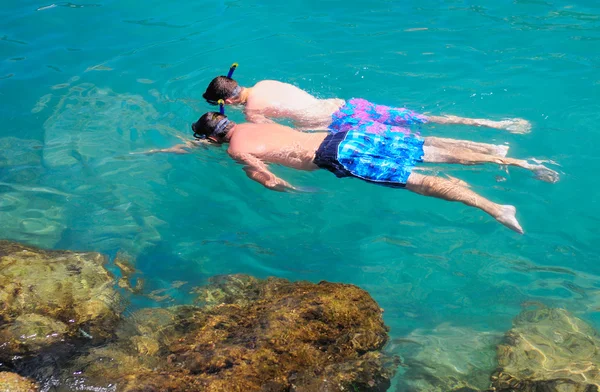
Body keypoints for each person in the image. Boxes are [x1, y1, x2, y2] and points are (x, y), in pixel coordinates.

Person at [174, 110, 559, 234]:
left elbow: (267, 178)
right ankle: (516, 161)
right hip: (344, 134)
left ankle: (495, 208)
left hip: (336, 155)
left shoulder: (238, 148)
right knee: (430, 151)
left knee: (417, 180)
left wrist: (283, 189)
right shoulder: (252, 122)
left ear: (213, 140)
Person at [202, 64, 532, 134]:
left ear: (226, 103)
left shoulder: (254, 112)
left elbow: (271, 136)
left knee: (408, 138)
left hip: (331, 122)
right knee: (418, 118)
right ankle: (493, 124)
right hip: (344, 104)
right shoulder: (265, 81)